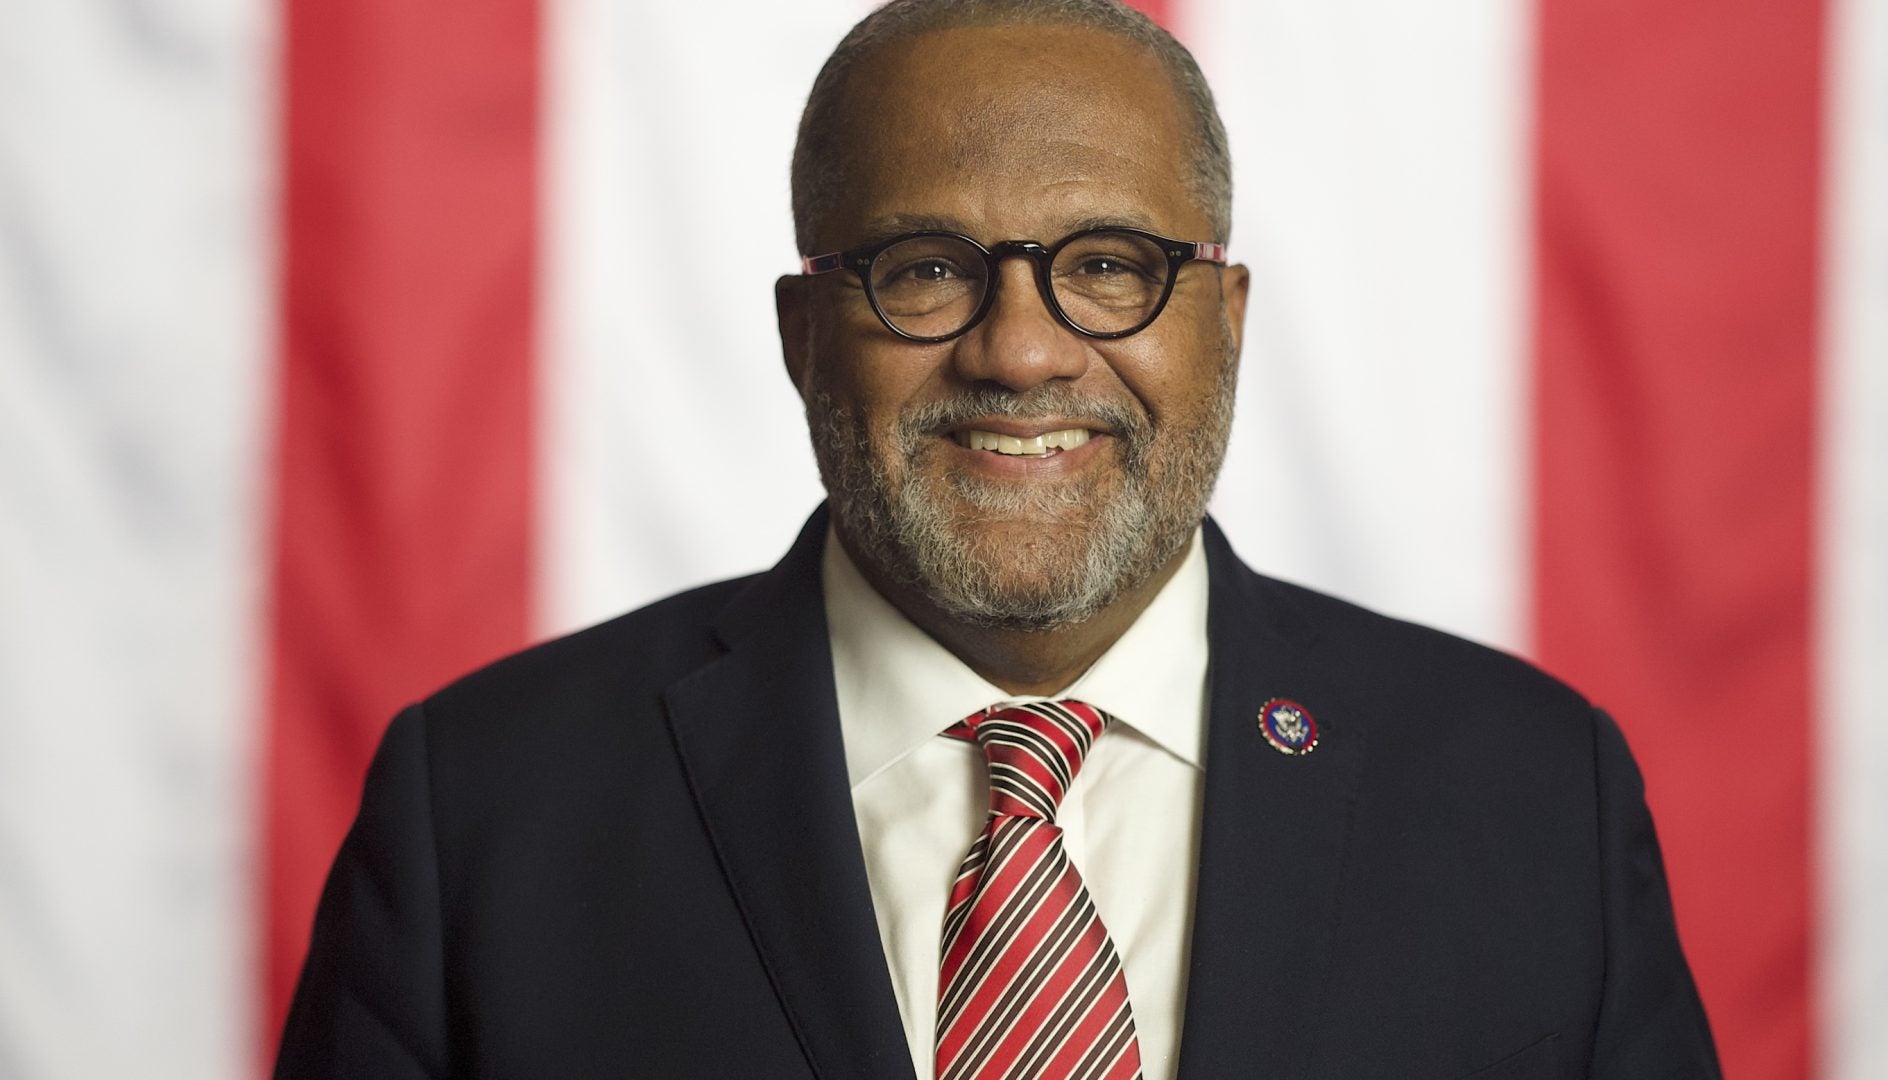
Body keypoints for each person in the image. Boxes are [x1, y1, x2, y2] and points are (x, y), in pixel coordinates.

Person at [276, 1, 1722, 1077]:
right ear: (802, 337)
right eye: (924, 270)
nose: (1021, 353)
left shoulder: (1534, 796)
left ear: (1226, 324)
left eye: (1111, 266)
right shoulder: (487, 810)